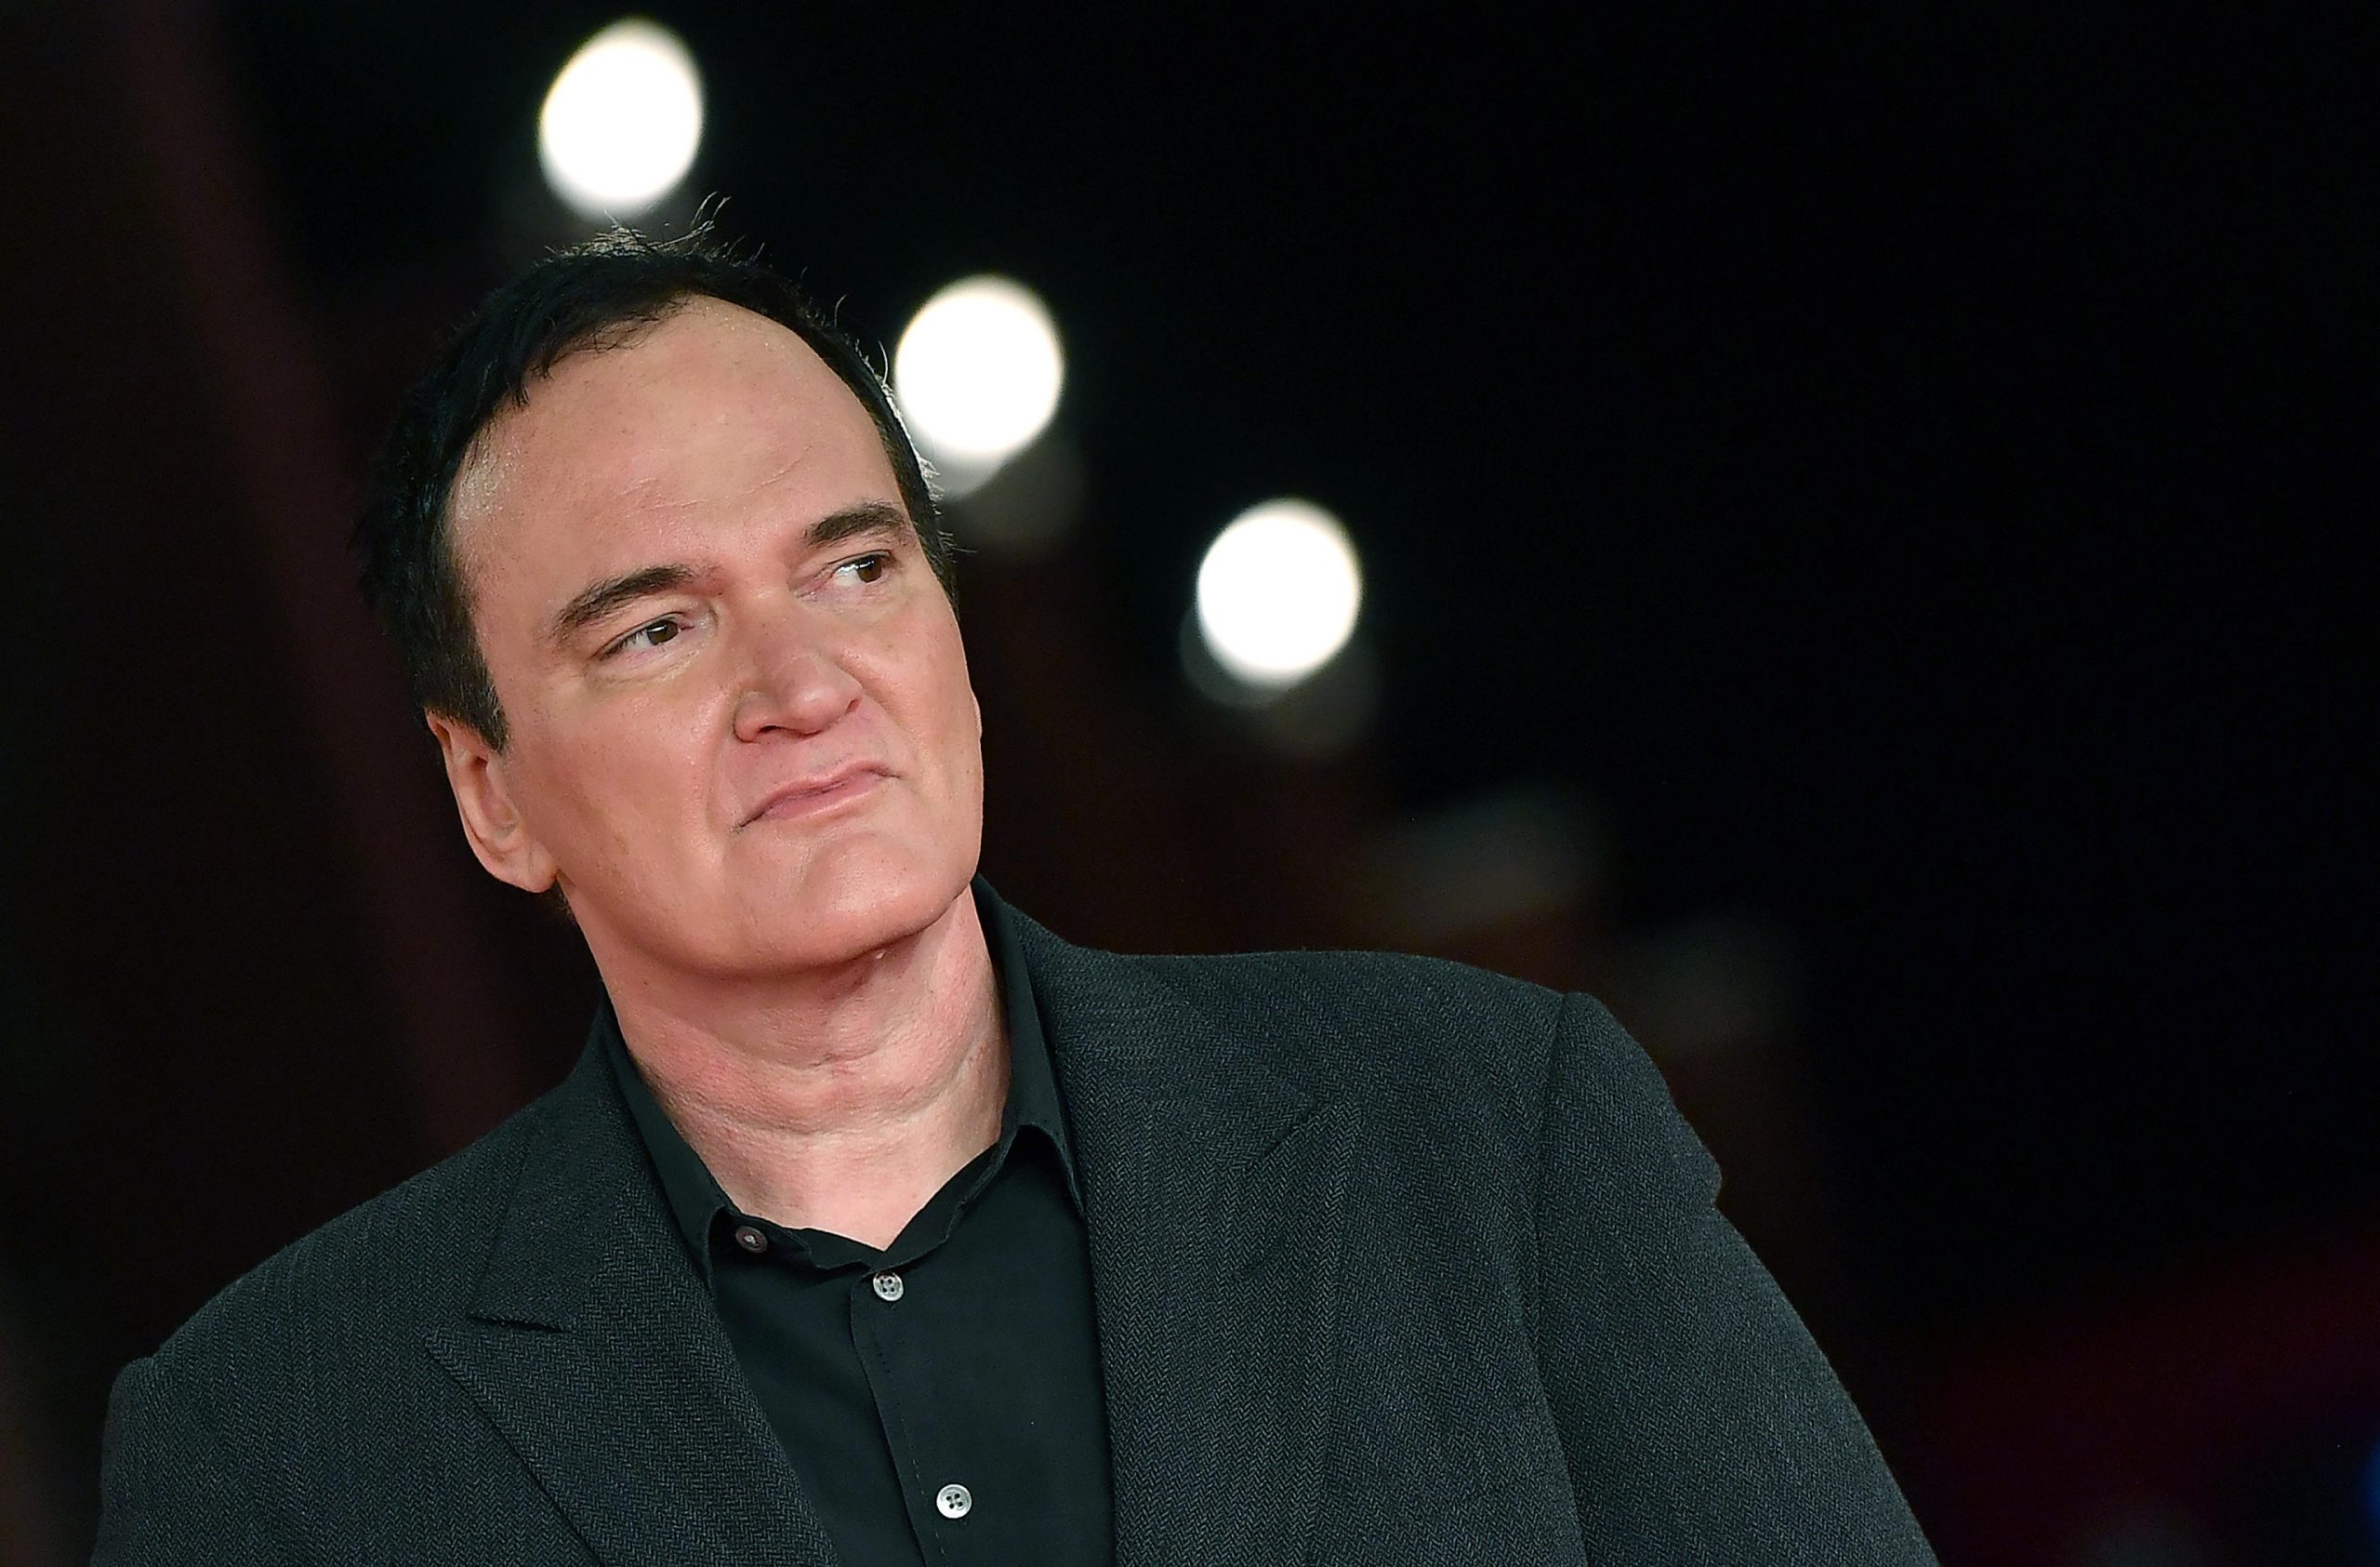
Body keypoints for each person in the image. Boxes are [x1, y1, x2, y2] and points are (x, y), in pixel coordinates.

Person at [92, 232, 1937, 1566]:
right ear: (491, 793)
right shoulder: (280, 1444)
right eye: (656, 628)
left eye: (854, 568)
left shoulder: (1487, 1127)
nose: (800, 684)